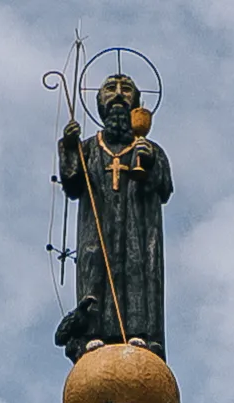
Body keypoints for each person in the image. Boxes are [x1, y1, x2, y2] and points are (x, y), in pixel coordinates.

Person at [56, 75, 171, 363]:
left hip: (138, 226)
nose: (119, 95)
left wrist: (152, 163)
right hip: (97, 225)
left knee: (137, 267)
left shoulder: (149, 148)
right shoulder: (89, 148)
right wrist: (69, 146)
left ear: (136, 102)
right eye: (110, 89)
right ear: (99, 101)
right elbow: (71, 183)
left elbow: (164, 188)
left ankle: (140, 333)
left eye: (126, 89)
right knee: (95, 266)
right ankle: (93, 333)